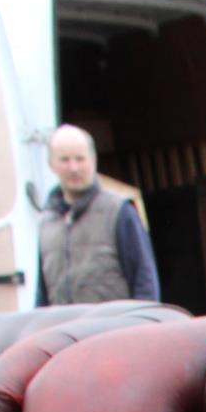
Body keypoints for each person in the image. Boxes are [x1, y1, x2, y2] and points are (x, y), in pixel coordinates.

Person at [35, 125, 159, 306]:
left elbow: (145, 281)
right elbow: (42, 295)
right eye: (65, 160)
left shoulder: (119, 212)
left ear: (93, 160)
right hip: (66, 331)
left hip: (113, 330)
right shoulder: (46, 222)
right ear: (51, 165)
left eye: (80, 158)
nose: (74, 168)